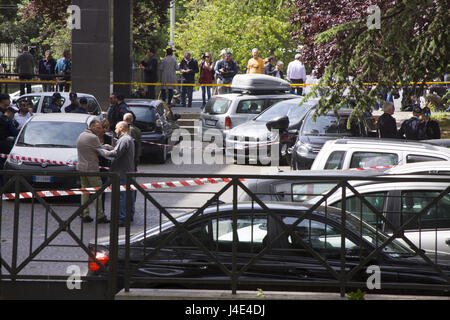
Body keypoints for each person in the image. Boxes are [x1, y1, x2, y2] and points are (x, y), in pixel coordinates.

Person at [98, 121, 136, 227]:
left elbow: (116, 153)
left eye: (116, 128)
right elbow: (119, 151)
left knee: (122, 196)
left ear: (121, 128)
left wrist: (101, 151)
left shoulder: (124, 139)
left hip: (121, 172)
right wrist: (110, 147)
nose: (115, 130)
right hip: (126, 171)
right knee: (128, 196)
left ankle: (122, 219)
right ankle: (128, 216)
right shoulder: (127, 139)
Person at [76, 119, 110, 223]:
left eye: (100, 128)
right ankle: (100, 215)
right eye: (98, 128)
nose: (100, 130)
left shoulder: (81, 135)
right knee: (98, 192)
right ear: (92, 127)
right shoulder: (93, 137)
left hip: (81, 167)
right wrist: (109, 147)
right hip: (91, 168)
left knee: (85, 191)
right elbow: (101, 151)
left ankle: (85, 213)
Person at [0, 94, 19, 186]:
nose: (9, 100)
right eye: (7, 99)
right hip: (4, 145)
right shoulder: (5, 118)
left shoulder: (5, 116)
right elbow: (15, 132)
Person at [97, 119, 114, 216]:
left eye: (107, 128)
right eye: (104, 127)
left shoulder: (107, 137)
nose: (105, 130)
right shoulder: (94, 137)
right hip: (95, 165)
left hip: (105, 165)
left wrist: (108, 148)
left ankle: (101, 211)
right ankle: (84, 212)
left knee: (103, 189)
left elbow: (112, 150)